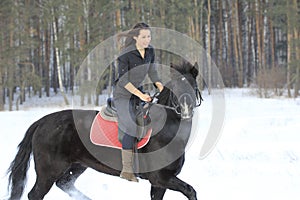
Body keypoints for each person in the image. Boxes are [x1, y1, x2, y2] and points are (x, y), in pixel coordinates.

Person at [113, 22, 163, 182]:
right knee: (131, 125)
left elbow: (153, 71)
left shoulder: (150, 51)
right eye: (143, 37)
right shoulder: (125, 54)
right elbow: (123, 80)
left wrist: (161, 86)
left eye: (149, 36)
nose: (147, 40)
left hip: (138, 93)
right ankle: (127, 170)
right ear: (135, 37)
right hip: (123, 94)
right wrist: (141, 95)